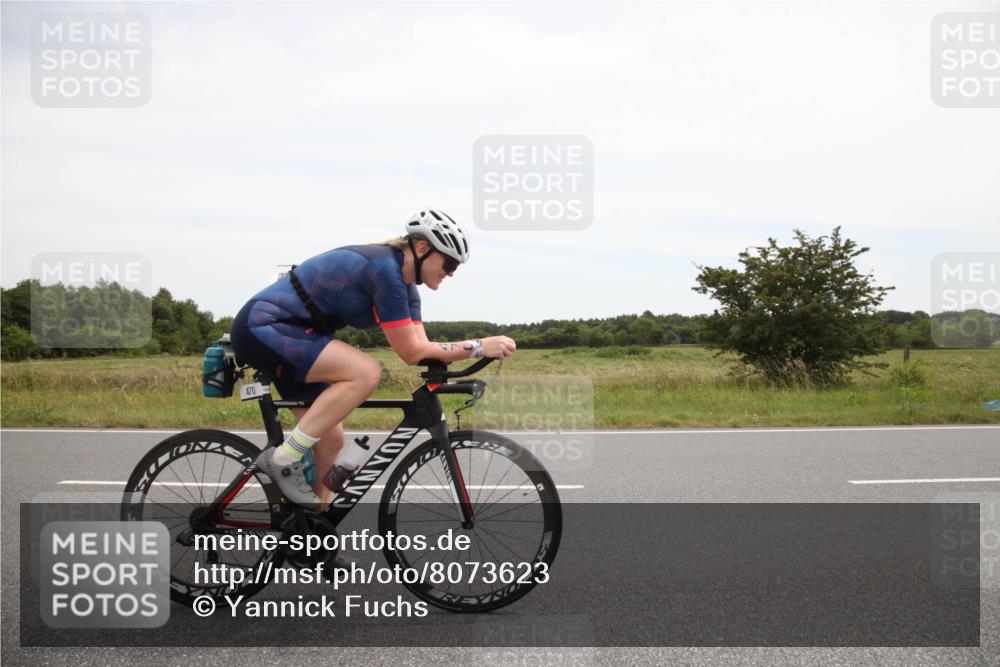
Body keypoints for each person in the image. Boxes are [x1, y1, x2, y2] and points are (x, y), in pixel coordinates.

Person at [229, 209, 516, 510]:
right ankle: (281, 460)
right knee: (366, 372)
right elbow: (411, 353)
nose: (452, 272)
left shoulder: (407, 289)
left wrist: (464, 359)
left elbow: (423, 348)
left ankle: (311, 531)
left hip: (296, 336)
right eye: (450, 263)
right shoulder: (385, 272)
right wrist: (479, 346)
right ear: (422, 248)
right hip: (263, 327)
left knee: (330, 442)